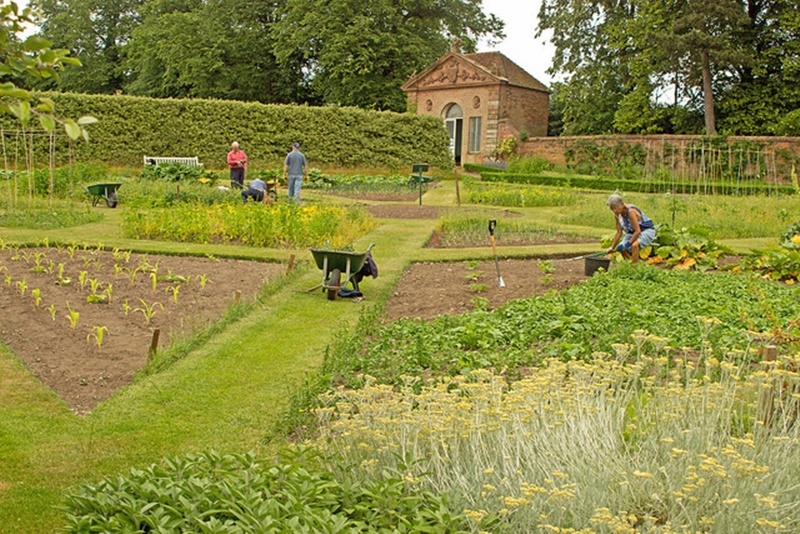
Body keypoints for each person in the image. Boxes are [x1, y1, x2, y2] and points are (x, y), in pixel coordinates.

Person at [605, 194, 656, 263]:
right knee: (621, 248)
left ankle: (634, 268)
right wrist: (612, 248)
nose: (614, 211)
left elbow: (638, 231)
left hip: (646, 231)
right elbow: (619, 232)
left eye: (615, 208)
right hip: (632, 233)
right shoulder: (617, 215)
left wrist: (628, 243)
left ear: (622, 204)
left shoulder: (631, 211)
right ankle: (630, 265)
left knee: (634, 245)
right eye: (612, 209)